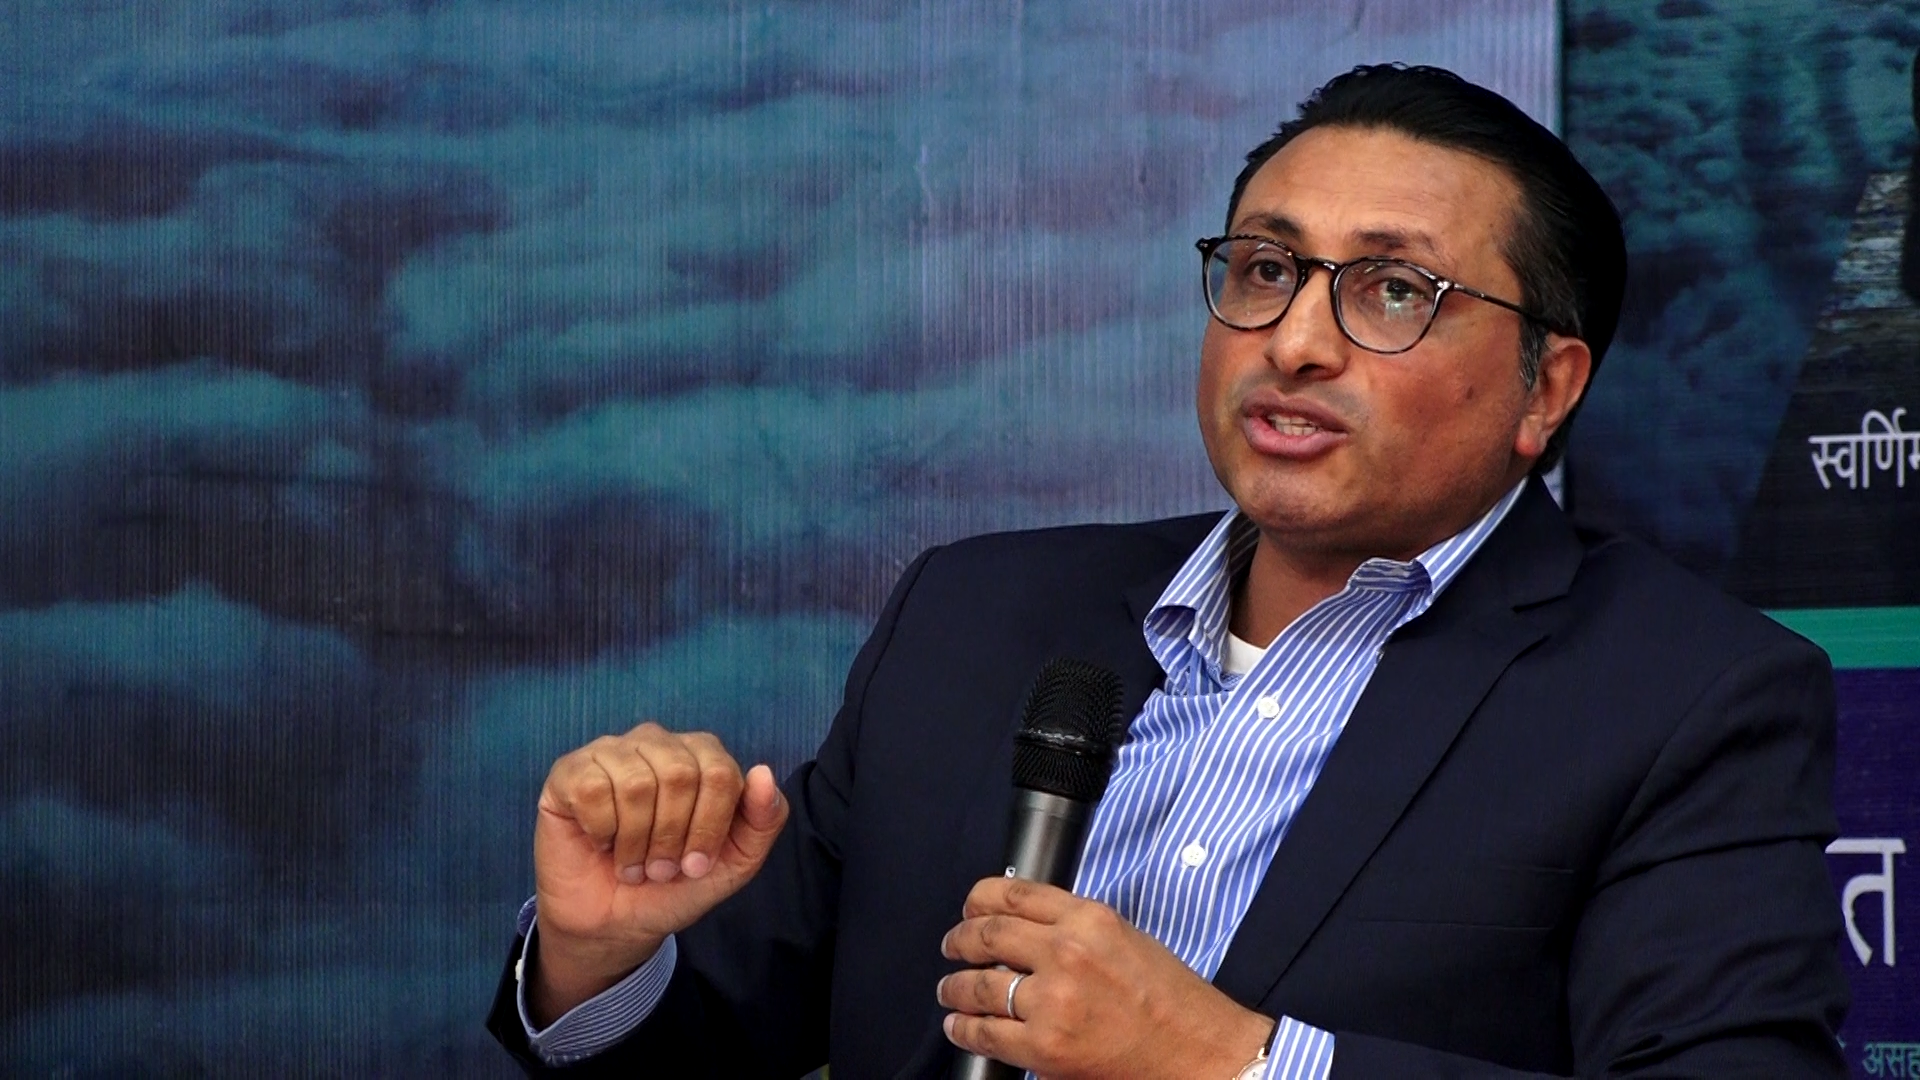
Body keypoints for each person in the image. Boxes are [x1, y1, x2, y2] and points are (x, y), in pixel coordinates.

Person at [487, 64, 1850, 1078]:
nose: (1294, 341)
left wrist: (1235, 1062)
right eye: (1265, 269)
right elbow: (711, 1041)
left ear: (1545, 387)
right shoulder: (974, 614)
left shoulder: (1684, 696)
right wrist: (601, 958)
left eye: (1392, 292)